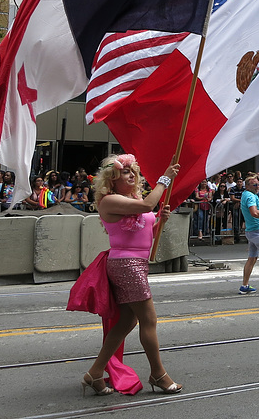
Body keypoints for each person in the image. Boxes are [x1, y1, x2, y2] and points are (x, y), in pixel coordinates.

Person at [81, 154, 182, 396]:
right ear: (111, 180)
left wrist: (159, 223)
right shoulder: (109, 201)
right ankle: (158, 374)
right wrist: (164, 180)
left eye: (133, 171)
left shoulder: (130, 198)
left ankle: (95, 372)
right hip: (127, 265)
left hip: (135, 262)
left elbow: (143, 231)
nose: (132, 175)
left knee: (127, 321)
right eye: (125, 172)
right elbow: (148, 206)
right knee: (149, 320)